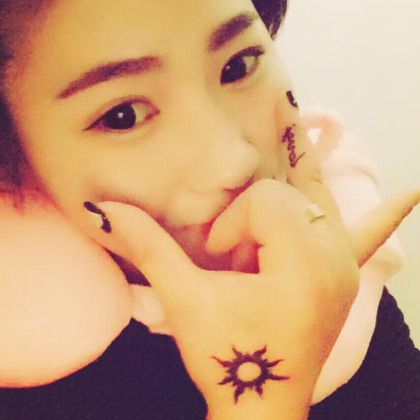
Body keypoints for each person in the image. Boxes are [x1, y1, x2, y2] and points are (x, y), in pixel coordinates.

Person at [0, 0, 419, 419]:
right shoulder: (35, 373)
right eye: (123, 117)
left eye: (238, 66)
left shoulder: (321, 225)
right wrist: (261, 402)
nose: (236, 163)